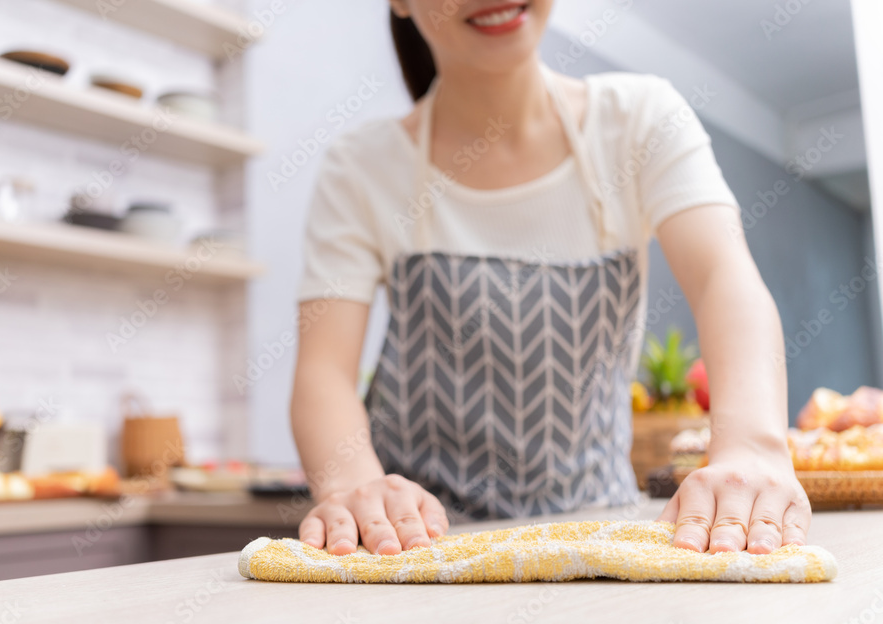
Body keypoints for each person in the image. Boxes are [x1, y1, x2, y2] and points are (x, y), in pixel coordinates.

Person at [290, 0, 810, 557]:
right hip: (419, 551)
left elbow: (723, 278)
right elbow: (324, 371)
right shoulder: (361, 167)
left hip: (600, 544)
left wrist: (753, 446)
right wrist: (356, 490)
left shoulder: (640, 119)